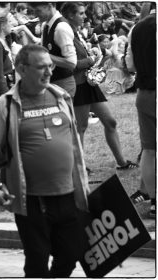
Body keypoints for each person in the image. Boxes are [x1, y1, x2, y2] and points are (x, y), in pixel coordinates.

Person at [0, 44, 90, 277]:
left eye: (50, 66)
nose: (49, 72)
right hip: (32, 201)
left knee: (71, 255)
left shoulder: (61, 97)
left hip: (69, 195)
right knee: (37, 260)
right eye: (41, 67)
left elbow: (73, 143)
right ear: (22, 68)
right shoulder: (5, 105)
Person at [62, 2, 138, 170]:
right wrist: (90, 60)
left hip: (89, 84)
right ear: (70, 16)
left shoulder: (76, 33)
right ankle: (80, 167)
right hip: (80, 85)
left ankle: (121, 162)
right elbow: (70, 64)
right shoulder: (66, 34)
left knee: (110, 122)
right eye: (80, 13)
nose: (84, 16)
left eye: (83, 13)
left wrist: (94, 54)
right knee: (81, 127)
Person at [125, 7, 156, 217]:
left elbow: (131, 65)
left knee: (149, 149)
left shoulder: (137, 27)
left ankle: (153, 200)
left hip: (144, 93)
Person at [30, 2, 77, 97]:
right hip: (52, 82)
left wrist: (44, 56)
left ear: (49, 6)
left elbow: (72, 63)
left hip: (63, 84)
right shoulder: (46, 25)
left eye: (38, 11)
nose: (36, 14)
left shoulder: (61, 28)